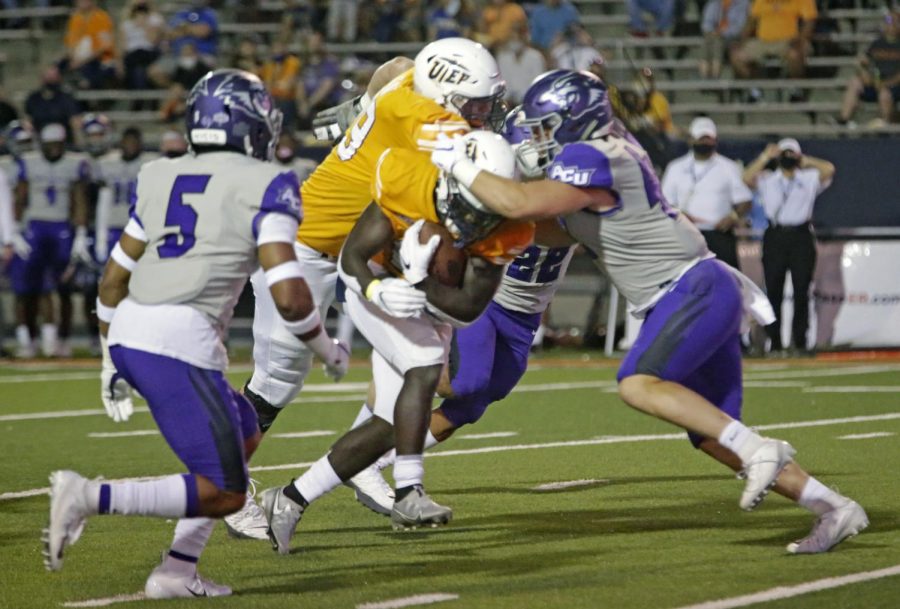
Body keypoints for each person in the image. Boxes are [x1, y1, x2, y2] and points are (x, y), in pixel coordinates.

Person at [431, 69, 867, 554]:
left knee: (639, 384)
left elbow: (523, 202)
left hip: (690, 287)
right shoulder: (604, 151)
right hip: (702, 288)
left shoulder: (592, 154)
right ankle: (833, 506)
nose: (539, 139)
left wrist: (459, 163)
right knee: (713, 435)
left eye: (547, 125)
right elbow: (549, 228)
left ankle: (759, 450)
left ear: (576, 120)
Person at [42, 69, 349, 598]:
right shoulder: (267, 182)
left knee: (248, 429)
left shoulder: (160, 174)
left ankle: (176, 572)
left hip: (134, 330)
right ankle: (89, 495)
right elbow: (290, 296)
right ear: (250, 125)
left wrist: (111, 361)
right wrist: (328, 348)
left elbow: (114, 278)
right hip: (178, 341)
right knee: (227, 493)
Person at [222, 38, 504, 539]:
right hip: (308, 246)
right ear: (443, 94)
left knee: (408, 366)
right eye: (475, 104)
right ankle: (224, 483)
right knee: (278, 380)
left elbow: (396, 65)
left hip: (364, 245)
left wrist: (359, 109)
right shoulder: (423, 116)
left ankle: (361, 466)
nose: (483, 114)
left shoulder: (405, 87)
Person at [260, 131, 533, 551]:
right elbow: (351, 258)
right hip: (376, 285)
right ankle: (409, 493)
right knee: (423, 364)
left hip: (431, 305)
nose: (481, 212)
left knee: (391, 424)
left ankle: (288, 500)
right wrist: (376, 290)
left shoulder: (510, 225)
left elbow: (468, 308)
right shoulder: (408, 178)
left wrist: (421, 284)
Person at [348, 113, 576, 515]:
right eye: (541, 142)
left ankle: (374, 459)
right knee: (467, 382)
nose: (550, 152)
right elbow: (554, 227)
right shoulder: (499, 192)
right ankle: (369, 436)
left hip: (526, 310)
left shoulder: (568, 189)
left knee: (475, 402)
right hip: (487, 297)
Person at [742, 138, 834, 356]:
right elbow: (746, 178)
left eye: (792, 153)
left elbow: (829, 169)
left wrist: (806, 160)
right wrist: (766, 157)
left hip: (801, 235)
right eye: (785, 153)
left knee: (802, 290)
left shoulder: (809, 178)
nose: (788, 157)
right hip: (775, 234)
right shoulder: (768, 179)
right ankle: (775, 343)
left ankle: (800, 342)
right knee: (774, 290)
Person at [9, 123, 90, 358]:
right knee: (24, 288)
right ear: (41, 143)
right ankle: (28, 341)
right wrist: (14, 231)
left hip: (61, 227)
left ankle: (54, 340)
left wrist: (81, 233)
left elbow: (79, 199)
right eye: (49, 144)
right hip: (34, 226)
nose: (54, 148)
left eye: (58, 144)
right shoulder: (29, 162)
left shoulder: (74, 164)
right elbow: (20, 197)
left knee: (59, 287)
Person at [661, 117, 752, 269]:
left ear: (716, 141)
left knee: (725, 284)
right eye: (701, 138)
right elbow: (664, 202)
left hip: (719, 234)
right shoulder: (675, 167)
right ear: (690, 140)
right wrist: (679, 214)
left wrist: (733, 217)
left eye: (709, 139)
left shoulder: (728, 167)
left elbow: (745, 200)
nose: (705, 143)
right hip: (686, 234)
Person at [730, 0, 817, 99]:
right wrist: (741, 42)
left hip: (788, 40)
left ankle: (796, 88)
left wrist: (801, 39)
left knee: (795, 54)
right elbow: (751, 22)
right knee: (737, 56)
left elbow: (810, 21)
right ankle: (755, 87)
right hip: (762, 41)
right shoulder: (760, 1)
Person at [94, 126, 157, 262]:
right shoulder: (106, 163)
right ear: (121, 143)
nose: (130, 146)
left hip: (139, 227)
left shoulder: (151, 163)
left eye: (134, 143)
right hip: (114, 224)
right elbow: (102, 199)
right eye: (127, 142)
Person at [836, 10, 900, 129]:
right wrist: (864, 73)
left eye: (896, 21)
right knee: (855, 82)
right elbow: (862, 62)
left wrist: (885, 84)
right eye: (889, 20)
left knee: (885, 93)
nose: (891, 24)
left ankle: (885, 125)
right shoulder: (877, 44)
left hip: (894, 87)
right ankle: (844, 121)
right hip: (875, 83)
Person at [63, 0, 116, 90]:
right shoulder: (75, 18)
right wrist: (73, 59)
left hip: (99, 60)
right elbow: (70, 44)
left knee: (92, 71)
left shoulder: (101, 17)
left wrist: (82, 61)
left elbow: (105, 46)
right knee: (57, 68)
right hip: (78, 60)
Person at [118, 0, 165, 101]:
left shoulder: (154, 20)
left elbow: (154, 40)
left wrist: (144, 25)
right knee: (134, 69)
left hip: (148, 52)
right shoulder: (126, 24)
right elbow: (123, 45)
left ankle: (142, 99)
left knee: (140, 67)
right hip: (132, 54)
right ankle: (138, 98)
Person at [24, 66, 82, 143]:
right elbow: (27, 120)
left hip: (64, 142)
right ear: (42, 78)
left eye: (54, 76)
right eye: (49, 76)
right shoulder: (34, 98)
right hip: (41, 141)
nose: (51, 79)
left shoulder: (66, 98)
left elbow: (75, 120)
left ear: (59, 78)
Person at [700, 0, 750, 79]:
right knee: (708, 41)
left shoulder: (743, 3)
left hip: (734, 37)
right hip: (715, 36)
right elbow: (706, 23)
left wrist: (722, 33)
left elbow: (739, 27)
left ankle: (715, 77)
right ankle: (705, 78)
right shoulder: (714, 3)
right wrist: (713, 31)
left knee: (717, 42)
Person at [496, 30, 546, 105]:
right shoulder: (503, 57)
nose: (515, 42)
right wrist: (506, 98)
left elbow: (539, 82)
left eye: (517, 39)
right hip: (508, 102)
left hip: (530, 101)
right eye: (512, 39)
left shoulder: (535, 57)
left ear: (524, 39)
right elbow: (502, 81)